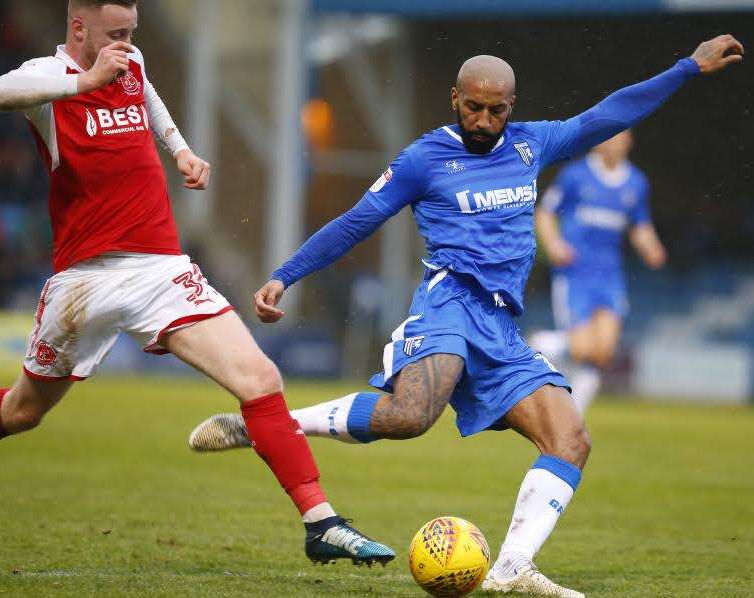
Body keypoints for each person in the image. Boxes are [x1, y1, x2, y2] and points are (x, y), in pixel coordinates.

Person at [189, 35, 743, 596]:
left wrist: (687, 69)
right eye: (473, 106)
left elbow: (608, 113)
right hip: (449, 303)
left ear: (512, 105)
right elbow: (358, 220)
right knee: (411, 416)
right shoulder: (424, 159)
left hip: (500, 326)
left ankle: (511, 568)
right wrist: (285, 274)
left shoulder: (533, 145)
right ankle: (274, 427)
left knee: (571, 438)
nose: (483, 119)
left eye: (496, 110)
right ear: (454, 98)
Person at [0, 0, 395, 567]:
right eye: (115, 34)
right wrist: (85, 81)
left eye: (132, 32)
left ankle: (320, 522)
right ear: (79, 28)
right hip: (85, 281)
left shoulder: (130, 61)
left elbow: (147, 94)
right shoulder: (51, 80)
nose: (126, 45)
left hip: (159, 268)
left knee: (259, 378)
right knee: (24, 411)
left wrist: (180, 149)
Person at [531, 130, 666, 414]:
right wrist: (554, 244)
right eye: (611, 136)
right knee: (581, 350)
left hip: (609, 276)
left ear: (630, 141)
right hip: (575, 272)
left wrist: (651, 248)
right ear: (600, 140)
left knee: (603, 351)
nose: (615, 142)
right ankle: (543, 343)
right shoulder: (575, 175)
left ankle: (572, 415)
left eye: (621, 136)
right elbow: (545, 212)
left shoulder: (636, 182)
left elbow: (640, 223)